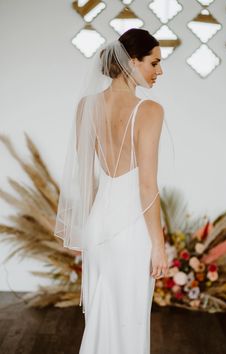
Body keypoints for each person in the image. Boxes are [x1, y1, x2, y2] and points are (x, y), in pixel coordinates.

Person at [54, 28, 169, 354]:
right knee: (129, 320)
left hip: (98, 225)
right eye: (155, 63)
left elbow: (86, 178)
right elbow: (147, 185)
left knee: (101, 315)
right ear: (132, 62)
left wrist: (88, 227)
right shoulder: (149, 111)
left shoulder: (86, 105)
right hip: (131, 228)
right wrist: (158, 246)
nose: (159, 71)